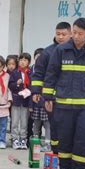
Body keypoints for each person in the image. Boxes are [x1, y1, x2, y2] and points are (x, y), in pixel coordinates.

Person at [44, 18, 85, 169]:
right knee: (64, 138)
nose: (76, 36)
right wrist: (48, 97)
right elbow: (51, 74)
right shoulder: (61, 50)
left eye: (80, 33)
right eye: (75, 32)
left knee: (83, 138)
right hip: (63, 104)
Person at [31, 21, 72, 154]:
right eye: (58, 34)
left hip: (72, 96)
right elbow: (39, 73)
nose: (60, 37)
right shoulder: (48, 52)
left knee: (71, 126)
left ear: (70, 34)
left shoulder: (75, 51)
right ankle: (56, 152)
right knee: (55, 124)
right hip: (53, 96)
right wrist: (36, 91)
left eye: (63, 34)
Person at [8, 52, 32, 150]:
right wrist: (17, 84)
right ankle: (14, 138)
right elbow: (10, 86)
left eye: (25, 60)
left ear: (29, 62)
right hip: (16, 100)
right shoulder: (14, 72)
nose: (22, 62)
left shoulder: (31, 73)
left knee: (24, 121)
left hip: (26, 101)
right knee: (14, 120)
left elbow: (32, 86)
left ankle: (23, 138)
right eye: (21, 60)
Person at [30, 48, 51, 152]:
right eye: (37, 57)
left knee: (47, 124)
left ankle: (48, 143)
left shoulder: (49, 72)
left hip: (46, 102)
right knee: (36, 123)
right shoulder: (33, 72)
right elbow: (33, 90)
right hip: (36, 104)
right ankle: (35, 142)